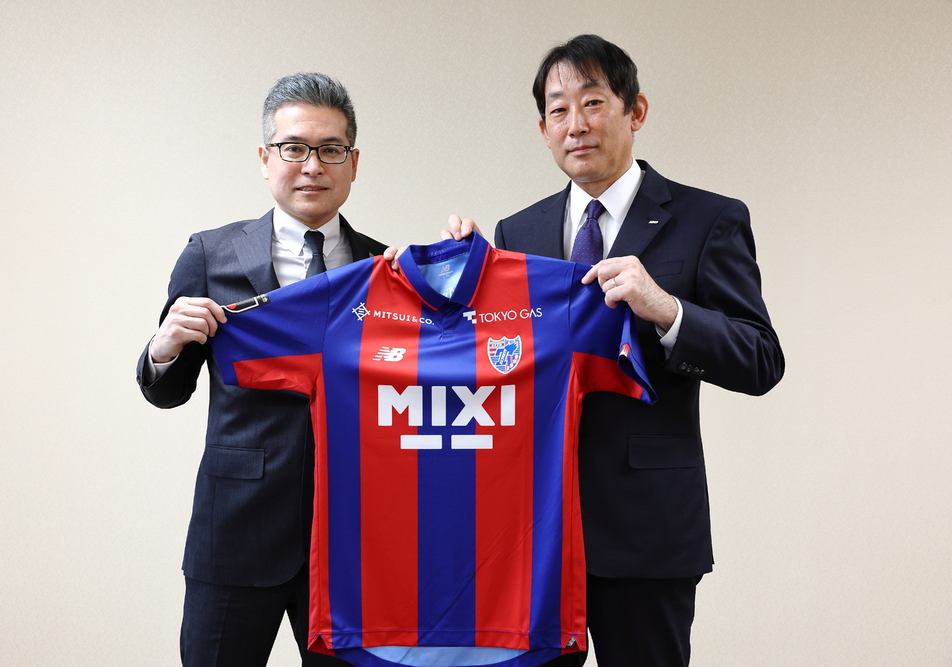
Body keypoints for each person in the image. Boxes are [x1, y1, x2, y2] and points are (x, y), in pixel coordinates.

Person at [453, 34, 785, 666]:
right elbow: (496, 367)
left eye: (593, 102)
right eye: (558, 110)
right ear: (543, 130)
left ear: (636, 111)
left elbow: (761, 358)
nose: (575, 124)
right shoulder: (516, 233)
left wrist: (667, 309)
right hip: (532, 534)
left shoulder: (708, 219)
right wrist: (456, 279)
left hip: (647, 529)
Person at [135, 73, 386, 667]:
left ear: (353, 163)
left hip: (351, 540)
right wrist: (163, 346)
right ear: (265, 158)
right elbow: (168, 391)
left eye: (330, 150)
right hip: (234, 534)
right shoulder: (209, 254)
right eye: (294, 148)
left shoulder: (383, 268)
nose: (312, 166)